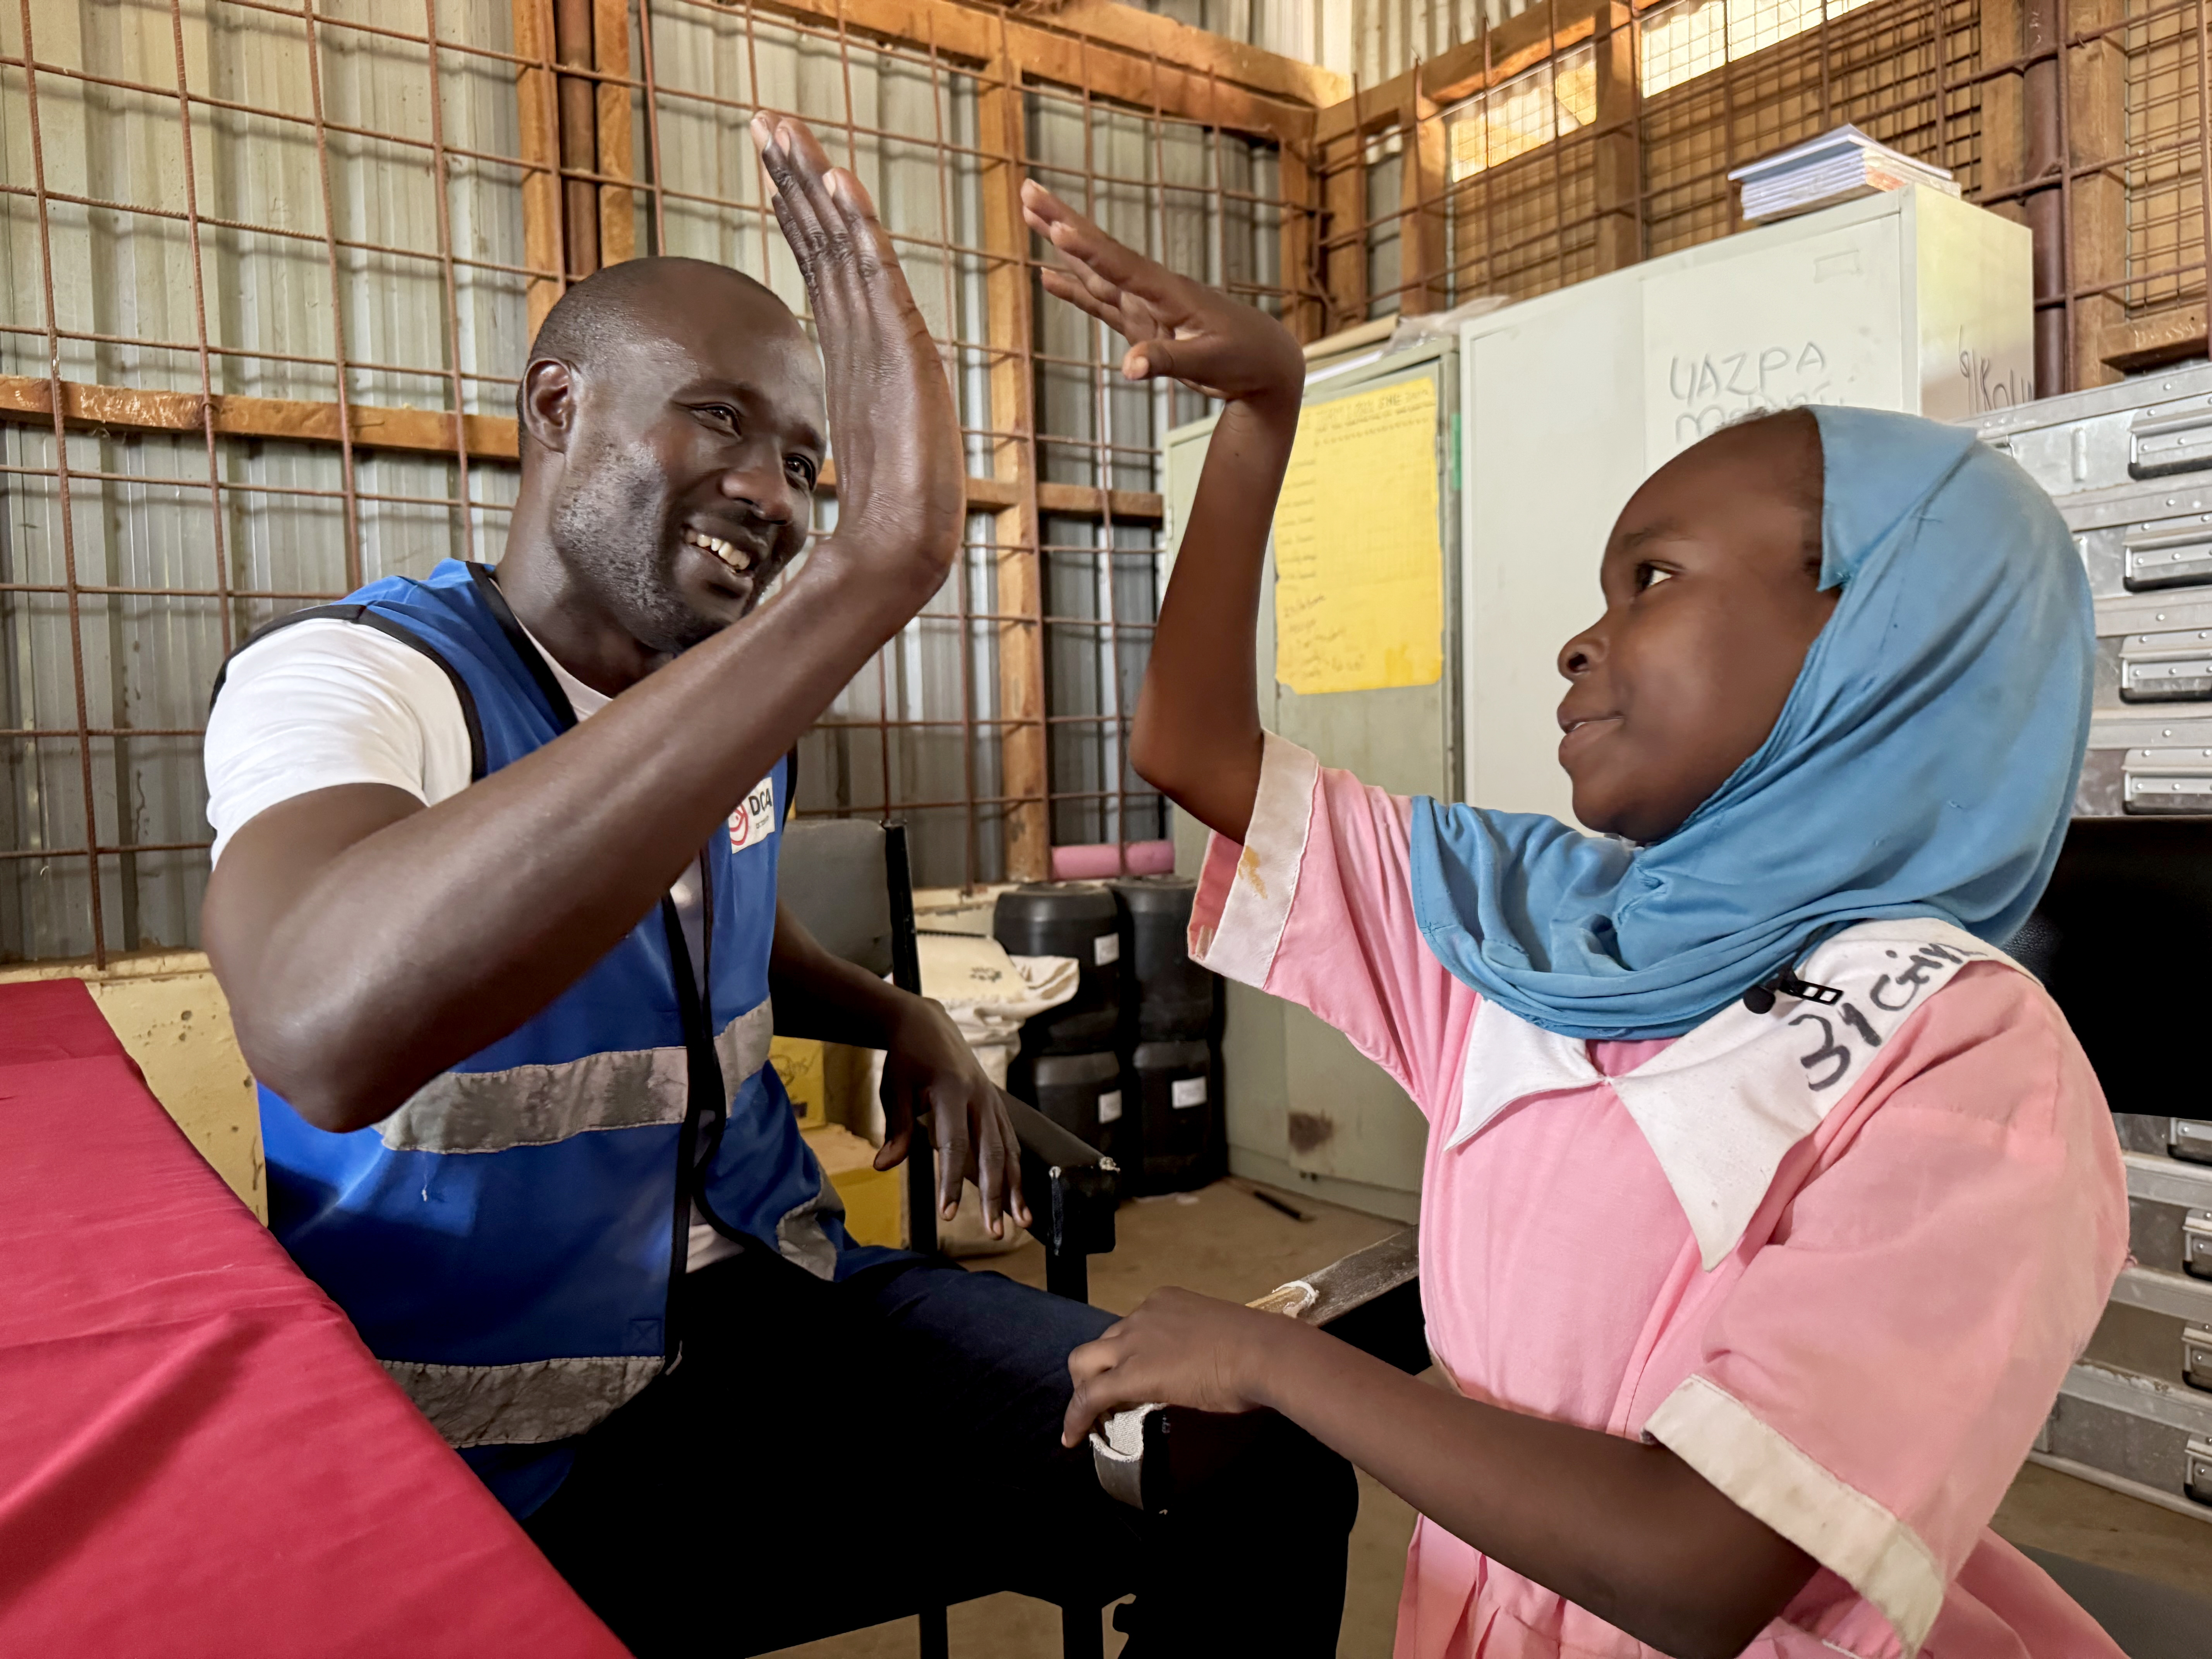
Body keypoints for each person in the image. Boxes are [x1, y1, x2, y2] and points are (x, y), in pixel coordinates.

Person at [199, 117, 1352, 1657]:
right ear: (559, 407)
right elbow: (316, 1025)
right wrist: (877, 568)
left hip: (780, 1318)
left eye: (808, 463)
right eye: (718, 422)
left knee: (1256, 1459)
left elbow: (711, 927)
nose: (774, 491)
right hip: (489, 1436)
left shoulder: (725, 700)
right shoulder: (354, 681)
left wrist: (896, 1016)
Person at [1020, 180, 2131, 1659]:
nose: (1578, 636)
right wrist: (1263, 418)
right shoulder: (1532, 923)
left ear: (1873, 632)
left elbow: (1696, 1564)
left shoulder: (1968, 1055)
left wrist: (1280, 1361)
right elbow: (1197, 753)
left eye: (1653, 578)